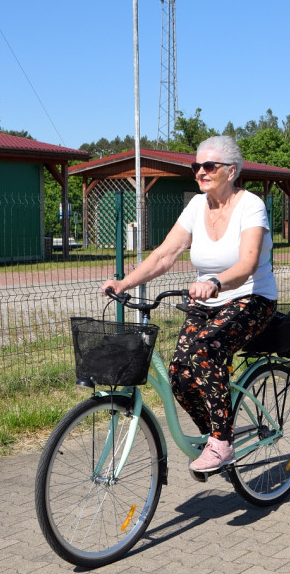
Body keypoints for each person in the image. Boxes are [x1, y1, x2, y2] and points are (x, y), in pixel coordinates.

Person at [100, 135, 277, 474]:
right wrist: (124, 282)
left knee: (204, 350)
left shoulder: (250, 204)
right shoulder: (197, 206)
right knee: (179, 374)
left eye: (208, 166)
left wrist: (215, 282)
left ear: (232, 170)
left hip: (251, 298)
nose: (200, 172)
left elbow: (249, 263)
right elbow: (165, 255)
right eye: (196, 166)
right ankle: (213, 434)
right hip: (208, 300)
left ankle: (222, 443)